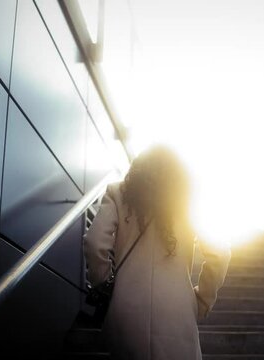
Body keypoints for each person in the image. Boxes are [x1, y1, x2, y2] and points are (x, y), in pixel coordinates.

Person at [84, 145, 231, 360]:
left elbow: (95, 242)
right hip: (178, 311)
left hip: (126, 310)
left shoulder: (117, 193)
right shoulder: (187, 200)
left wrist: (104, 283)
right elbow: (219, 251)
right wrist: (203, 299)